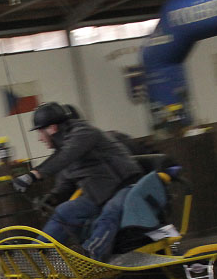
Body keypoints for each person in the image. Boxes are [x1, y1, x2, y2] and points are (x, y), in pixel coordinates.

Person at [12, 102, 141, 257]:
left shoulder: (84, 133)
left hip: (126, 187)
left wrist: (33, 175)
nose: (40, 138)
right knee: (64, 211)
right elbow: (66, 179)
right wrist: (54, 198)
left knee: (110, 212)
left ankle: (90, 255)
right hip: (99, 195)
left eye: (40, 132)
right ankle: (35, 256)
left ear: (52, 128)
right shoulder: (65, 148)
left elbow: (65, 157)